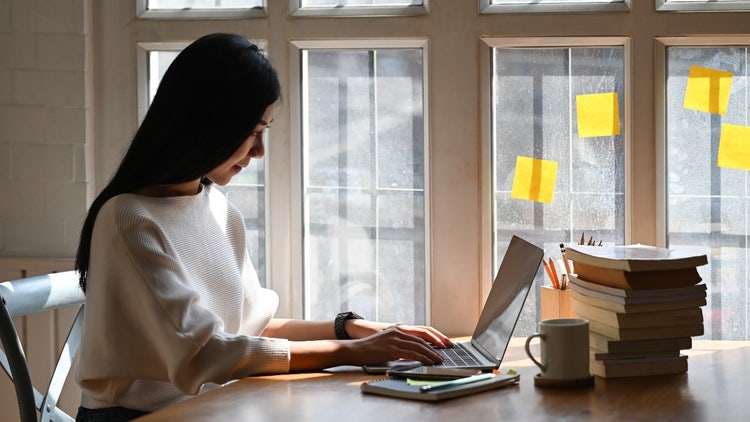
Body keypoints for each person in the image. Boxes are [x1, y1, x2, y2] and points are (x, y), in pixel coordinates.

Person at [73, 33, 452, 421]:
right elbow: (205, 354)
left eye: (264, 133)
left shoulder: (217, 208)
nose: (259, 152)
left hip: (211, 409)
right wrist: (353, 353)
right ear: (206, 123)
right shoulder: (129, 219)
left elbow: (249, 332)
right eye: (253, 132)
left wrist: (351, 329)